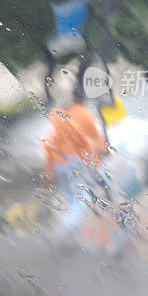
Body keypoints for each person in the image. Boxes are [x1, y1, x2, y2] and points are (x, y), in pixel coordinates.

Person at [42, 87, 108, 239]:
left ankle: (72, 239)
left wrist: (48, 167)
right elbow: (98, 141)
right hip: (77, 161)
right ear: (83, 99)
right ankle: (62, 229)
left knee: (68, 198)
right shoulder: (86, 114)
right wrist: (101, 155)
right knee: (81, 197)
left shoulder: (61, 115)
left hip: (59, 162)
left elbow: (48, 142)